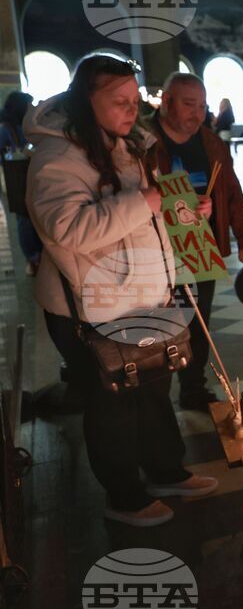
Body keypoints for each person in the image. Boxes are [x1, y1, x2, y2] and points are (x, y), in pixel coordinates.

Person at [25, 55, 218, 527]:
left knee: (154, 388)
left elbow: (144, 217)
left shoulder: (124, 145)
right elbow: (68, 229)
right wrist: (146, 200)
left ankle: (165, 470)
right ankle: (124, 495)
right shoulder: (57, 157)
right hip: (89, 306)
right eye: (119, 102)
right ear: (85, 101)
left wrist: (183, 212)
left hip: (138, 295)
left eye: (135, 100)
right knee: (111, 399)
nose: (132, 110)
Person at [150, 72, 243, 411]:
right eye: (188, 104)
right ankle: (153, 397)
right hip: (157, 249)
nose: (197, 114)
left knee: (198, 320)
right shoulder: (142, 141)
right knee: (161, 322)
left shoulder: (212, 143)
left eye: (202, 105)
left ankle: (192, 387)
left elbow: (233, 195)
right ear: (166, 102)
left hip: (201, 245)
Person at [1, 91, 42, 276]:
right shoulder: (5, 129)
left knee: (34, 215)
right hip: (17, 177)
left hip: (32, 174)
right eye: (28, 105)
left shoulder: (27, 123)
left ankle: (38, 255)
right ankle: (32, 258)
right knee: (24, 219)